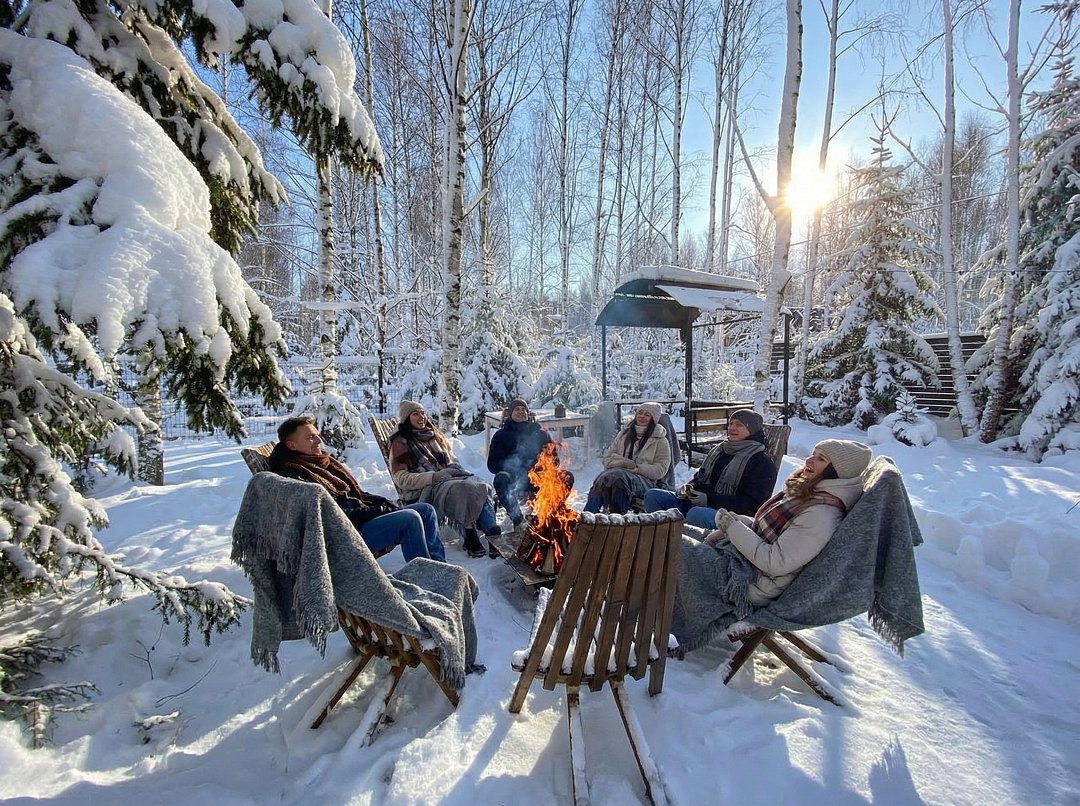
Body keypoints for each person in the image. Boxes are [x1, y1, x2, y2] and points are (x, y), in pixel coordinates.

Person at [670, 439, 873, 651]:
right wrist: (737, 523)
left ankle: (655, 617)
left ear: (837, 471)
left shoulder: (822, 514)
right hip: (741, 562)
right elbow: (764, 530)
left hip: (747, 584)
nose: (809, 460)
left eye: (821, 459)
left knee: (669, 544)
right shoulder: (811, 494)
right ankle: (653, 606)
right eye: (813, 453)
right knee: (672, 529)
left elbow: (774, 562)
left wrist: (731, 527)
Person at [267, 415, 446, 563]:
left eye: (317, 435)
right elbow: (331, 515)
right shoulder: (294, 475)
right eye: (310, 437)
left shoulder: (320, 463)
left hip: (357, 521)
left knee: (425, 510)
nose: (319, 441)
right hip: (342, 536)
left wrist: (382, 503)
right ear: (292, 445)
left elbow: (355, 495)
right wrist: (376, 511)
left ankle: (439, 568)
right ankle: (426, 578)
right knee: (410, 519)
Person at [389, 400, 502, 559]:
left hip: (447, 478)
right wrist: (433, 477)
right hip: (426, 487)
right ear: (406, 418)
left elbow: (450, 459)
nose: (421, 417)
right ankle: (469, 534)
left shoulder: (432, 434)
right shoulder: (400, 442)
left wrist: (454, 467)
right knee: (461, 488)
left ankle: (492, 532)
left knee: (480, 484)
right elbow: (401, 478)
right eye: (415, 414)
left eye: (423, 413)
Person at [643, 408, 777, 528]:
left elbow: (752, 504)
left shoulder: (761, 462)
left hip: (730, 516)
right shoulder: (719, 451)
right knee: (653, 496)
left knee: (696, 514)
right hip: (698, 505)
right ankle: (662, 536)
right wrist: (687, 489)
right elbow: (699, 479)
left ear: (752, 430)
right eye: (731, 423)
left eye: (739, 425)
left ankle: (685, 546)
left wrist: (709, 499)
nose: (732, 428)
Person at [487, 398, 574, 531]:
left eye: (524, 409)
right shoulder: (501, 435)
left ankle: (547, 516)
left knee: (566, 476)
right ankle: (518, 520)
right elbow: (492, 464)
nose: (521, 412)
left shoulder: (541, 434)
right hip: (513, 480)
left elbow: (555, 461)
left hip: (539, 479)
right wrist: (510, 468)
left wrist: (543, 468)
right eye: (517, 409)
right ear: (510, 414)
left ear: (528, 414)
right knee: (501, 479)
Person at [583, 402, 672, 515]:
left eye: (647, 415)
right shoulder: (624, 434)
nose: (642, 417)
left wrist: (635, 467)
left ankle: (612, 520)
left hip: (646, 482)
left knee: (615, 476)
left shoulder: (660, 441)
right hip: (617, 477)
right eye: (640, 413)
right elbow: (607, 458)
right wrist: (622, 464)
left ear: (653, 419)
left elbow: (660, 470)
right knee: (609, 479)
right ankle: (590, 518)